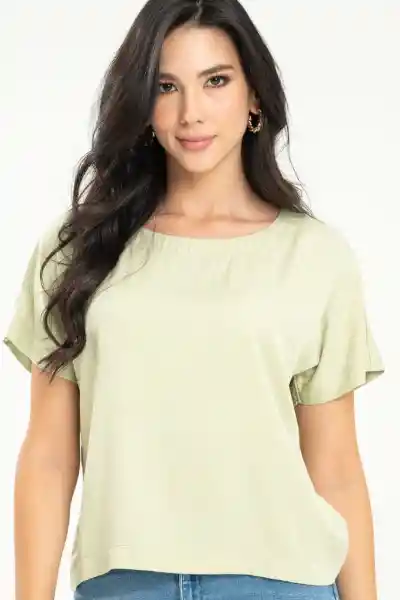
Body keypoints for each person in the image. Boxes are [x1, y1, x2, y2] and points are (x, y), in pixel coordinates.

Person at [3, 0, 385, 599]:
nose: (191, 113)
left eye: (216, 81)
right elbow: (49, 456)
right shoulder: (77, 249)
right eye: (166, 86)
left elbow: (335, 468)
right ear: (142, 101)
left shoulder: (315, 256)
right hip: (124, 586)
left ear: (254, 97)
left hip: (281, 584)